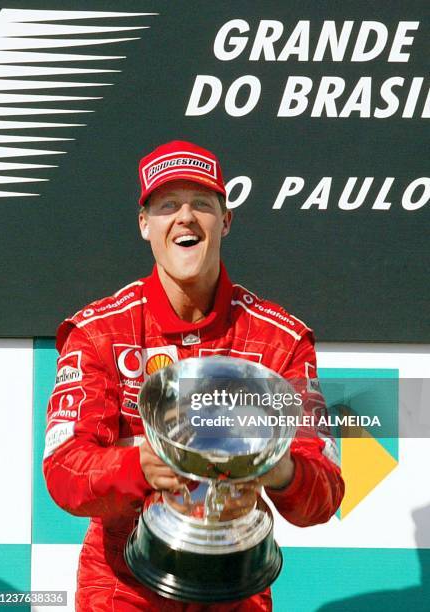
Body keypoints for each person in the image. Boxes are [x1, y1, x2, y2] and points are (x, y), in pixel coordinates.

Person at [43, 140, 344, 611]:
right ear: (145, 225)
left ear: (225, 221)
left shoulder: (281, 340)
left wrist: (277, 467)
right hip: (123, 587)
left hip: (238, 584)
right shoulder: (100, 331)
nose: (185, 217)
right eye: (167, 205)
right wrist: (138, 466)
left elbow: (324, 494)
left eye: (201, 203)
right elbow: (64, 470)